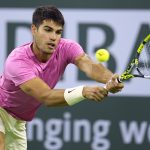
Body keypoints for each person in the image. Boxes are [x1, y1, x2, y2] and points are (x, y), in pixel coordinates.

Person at [0, 5, 124, 150]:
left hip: (18, 122)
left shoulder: (67, 47)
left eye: (58, 32)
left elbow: (90, 66)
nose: (53, 37)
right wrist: (83, 91)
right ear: (34, 29)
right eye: (47, 30)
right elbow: (46, 96)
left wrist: (110, 79)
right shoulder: (17, 62)